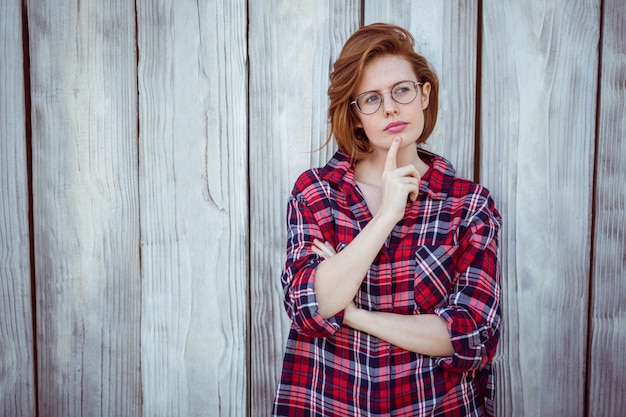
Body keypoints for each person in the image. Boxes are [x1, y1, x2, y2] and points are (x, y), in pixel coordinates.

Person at [273, 23, 502, 417]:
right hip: (329, 403)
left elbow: (472, 335)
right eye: (371, 99)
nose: (391, 108)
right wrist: (386, 216)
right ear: (355, 114)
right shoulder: (317, 193)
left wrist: (356, 314)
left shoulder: (468, 205)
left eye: (401, 90)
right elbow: (308, 306)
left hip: (435, 407)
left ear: (424, 95)